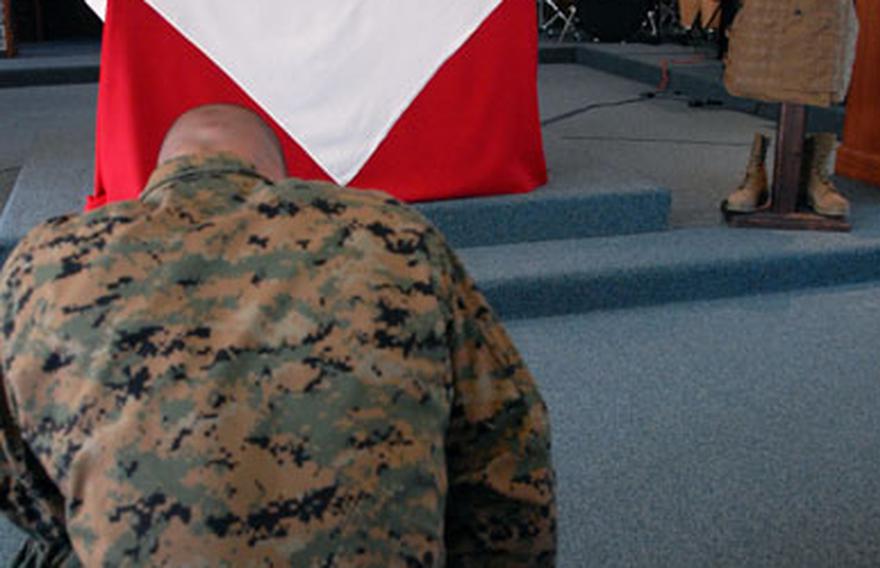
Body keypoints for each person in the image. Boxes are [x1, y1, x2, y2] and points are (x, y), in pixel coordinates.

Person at [0, 105, 556, 566]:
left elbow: (23, 485)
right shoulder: (391, 234)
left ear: (157, 177)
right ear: (278, 179)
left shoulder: (46, 264)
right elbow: (509, 449)